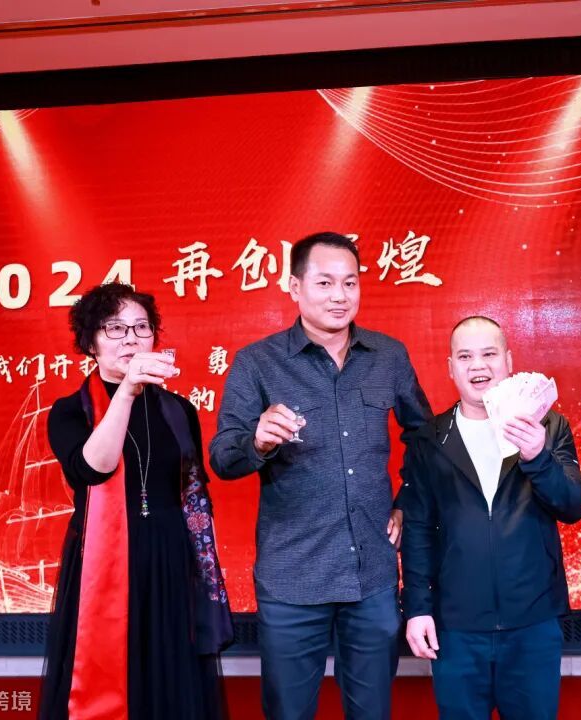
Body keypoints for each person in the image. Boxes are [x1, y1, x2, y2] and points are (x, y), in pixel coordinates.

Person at [209, 232, 432, 720]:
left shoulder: (388, 356)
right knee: (289, 712)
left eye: (350, 282)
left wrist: (406, 500)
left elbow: (425, 438)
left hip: (371, 572)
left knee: (372, 711)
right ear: (295, 287)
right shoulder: (257, 362)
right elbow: (222, 458)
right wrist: (257, 442)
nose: (339, 295)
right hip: (293, 575)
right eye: (325, 282)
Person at [40, 282, 232, 720]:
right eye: (115, 328)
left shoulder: (178, 410)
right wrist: (126, 391)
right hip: (101, 563)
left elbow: (192, 491)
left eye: (141, 327)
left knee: (170, 681)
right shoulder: (69, 411)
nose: (131, 338)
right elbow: (94, 468)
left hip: (169, 559)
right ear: (90, 342)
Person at [401, 316, 581, 720]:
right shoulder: (429, 439)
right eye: (465, 356)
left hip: (533, 621)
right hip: (456, 626)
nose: (478, 366)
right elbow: (417, 531)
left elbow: (573, 506)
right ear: (450, 367)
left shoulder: (547, 424)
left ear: (508, 360)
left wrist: (538, 457)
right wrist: (417, 608)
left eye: (489, 354)